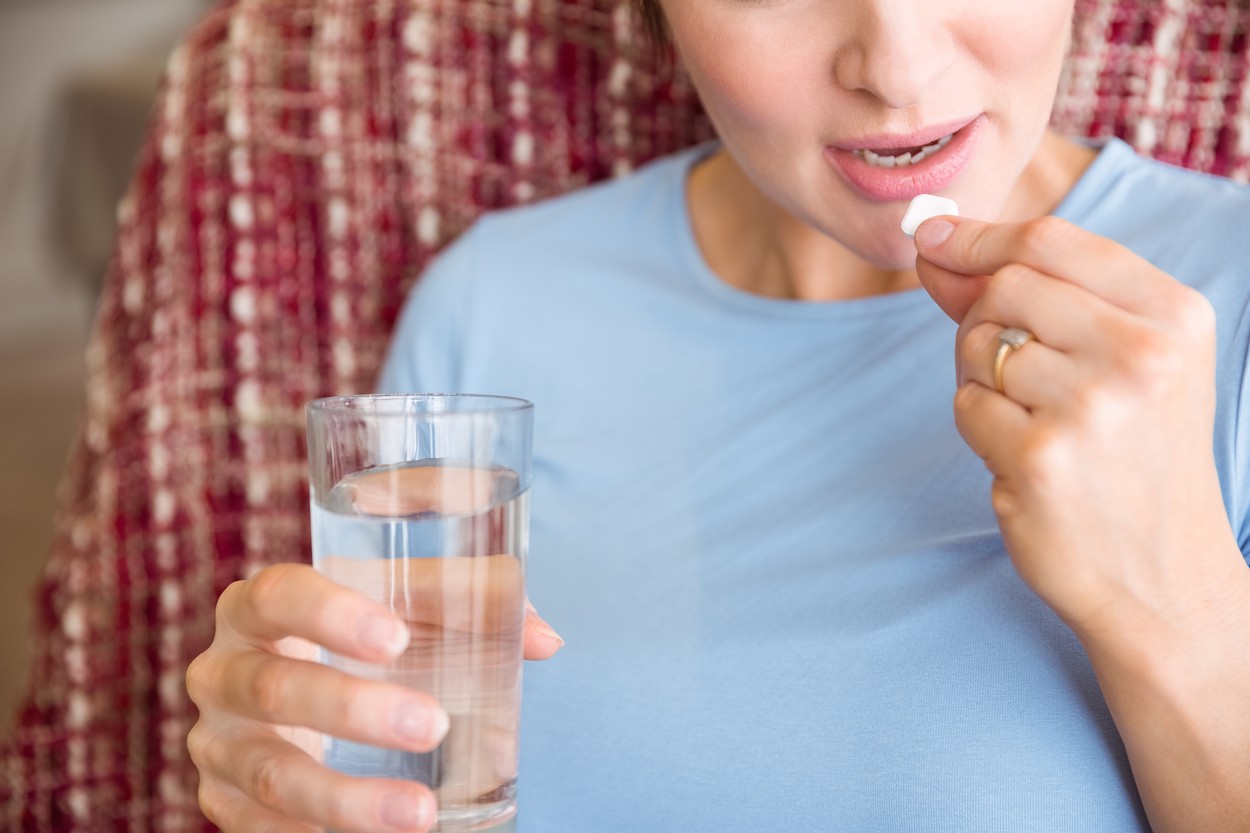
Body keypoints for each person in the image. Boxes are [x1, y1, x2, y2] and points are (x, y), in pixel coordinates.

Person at [185, 0, 1250, 830]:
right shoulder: (491, 307)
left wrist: (1181, 605)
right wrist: (294, 779)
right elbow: (419, 779)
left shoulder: (1223, 302)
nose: (897, 68)